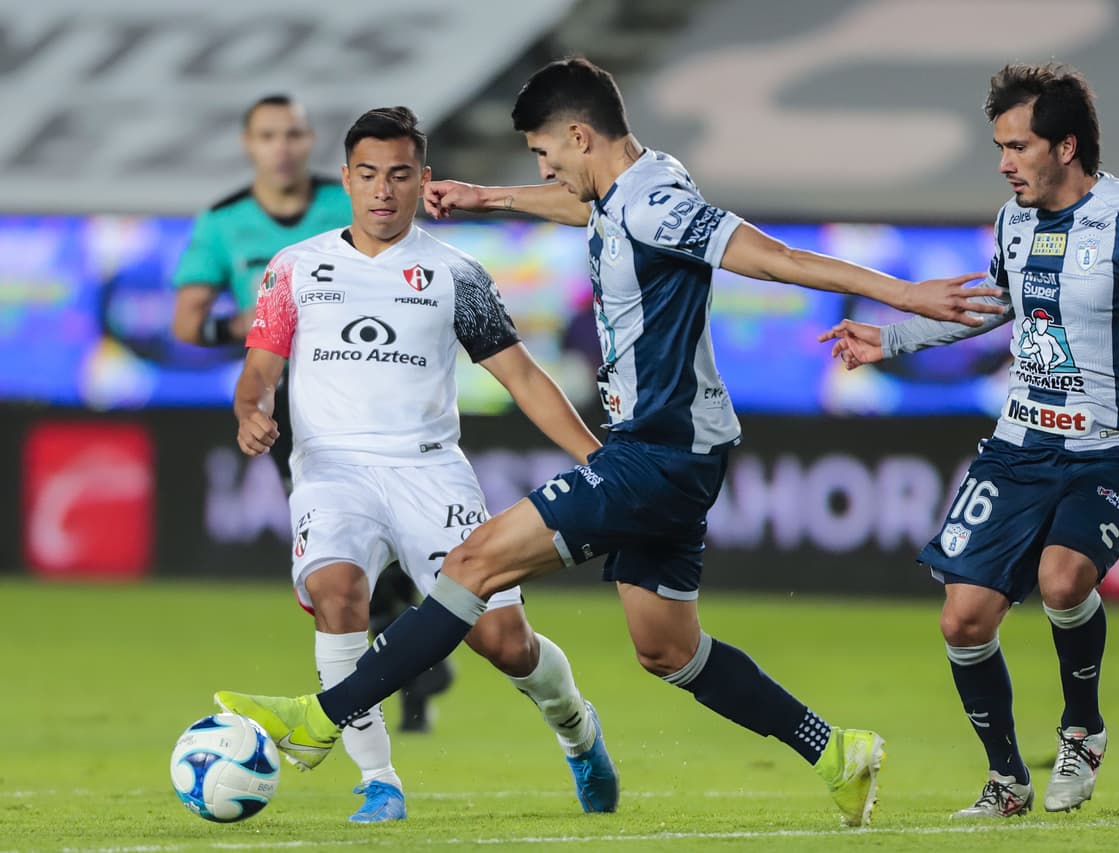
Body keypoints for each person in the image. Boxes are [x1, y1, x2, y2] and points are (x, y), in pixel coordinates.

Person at [216, 57, 1006, 827]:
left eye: (545, 153)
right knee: (667, 649)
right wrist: (493, 196)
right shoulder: (635, 185)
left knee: (471, 565)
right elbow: (588, 210)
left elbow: (775, 257)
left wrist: (904, 294)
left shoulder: (655, 201)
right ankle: (835, 750)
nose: (547, 168)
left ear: (577, 136)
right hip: (675, 449)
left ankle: (322, 717)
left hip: (659, 450)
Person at [820, 63, 1119, 818]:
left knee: (1065, 580)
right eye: (999, 145)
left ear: (1066, 146)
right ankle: (1007, 780)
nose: (1004, 162)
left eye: (1018, 146)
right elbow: (997, 304)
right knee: (962, 618)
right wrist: (889, 339)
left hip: (1116, 442)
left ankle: (1083, 728)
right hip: (1021, 443)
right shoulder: (1013, 220)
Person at [224, 106, 620, 821]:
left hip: (430, 473)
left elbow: (525, 378)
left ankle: (577, 729)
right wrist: (251, 409)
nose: (383, 191)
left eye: (400, 175)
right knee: (338, 591)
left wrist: (597, 456)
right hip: (332, 470)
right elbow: (259, 371)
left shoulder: (454, 274)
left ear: (422, 180)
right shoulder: (296, 268)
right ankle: (379, 781)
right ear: (345, 179)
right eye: (369, 175)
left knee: (504, 640)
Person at [170, 94, 451, 740]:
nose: (283, 146)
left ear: (310, 140)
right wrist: (236, 325)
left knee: (402, 546)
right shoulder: (223, 221)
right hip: (292, 405)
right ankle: (408, 669)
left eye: (293, 133)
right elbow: (185, 322)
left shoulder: (349, 198)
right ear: (249, 144)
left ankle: (406, 660)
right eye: (268, 134)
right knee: (344, 554)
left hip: (382, 391)